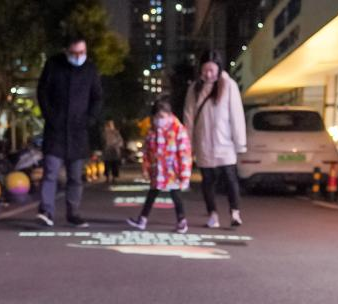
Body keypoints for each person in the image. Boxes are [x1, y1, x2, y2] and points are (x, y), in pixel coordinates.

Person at [36, 34, 102, 227]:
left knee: (75, 177)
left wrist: (89, 119)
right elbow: (42, 91)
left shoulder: (90, 69)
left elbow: (97, 97)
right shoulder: (53, 65)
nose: (79, 56)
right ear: (66, 51)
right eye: (75, 53)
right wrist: (50, 115)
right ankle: (46, 211)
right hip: (55, 130)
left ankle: (73, 213)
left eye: (82, 52)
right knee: (50, 172)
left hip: (78, 131)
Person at [183, 50, 247, 229]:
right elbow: (188, 118)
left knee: (230, 179)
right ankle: (213, 214)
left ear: (219, 68)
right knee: (208, 181)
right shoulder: (194, 88)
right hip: (203, 143)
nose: (208, 74)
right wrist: (188, 145)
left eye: (212, 70)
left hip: (225, 143)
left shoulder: (229, 85)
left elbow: (236, 115)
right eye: (205, 70)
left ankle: (235, 213)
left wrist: (239, 142)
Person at [125, 100, 193, 234]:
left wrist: (184, 173)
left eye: (162, 116)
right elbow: (147, 151)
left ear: (169, 114)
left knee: (176, 195)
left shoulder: (178, 129)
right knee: (152, 194)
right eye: (157, 116)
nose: (159, 120)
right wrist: (146, 168)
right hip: (158, 170)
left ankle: (182, 221)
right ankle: (142, 219)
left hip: (173, 170)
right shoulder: (153, 130)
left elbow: (184, 152)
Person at [102, 119, 124, 184]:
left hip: (114, 151)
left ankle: (114, 177)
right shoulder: (104, 133)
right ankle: (107, 177)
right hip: (107, 151)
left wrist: (117, 146)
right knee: (107, 165)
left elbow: (120, 141)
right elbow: (102, 141)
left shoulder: (116, 133)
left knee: (114, 164)